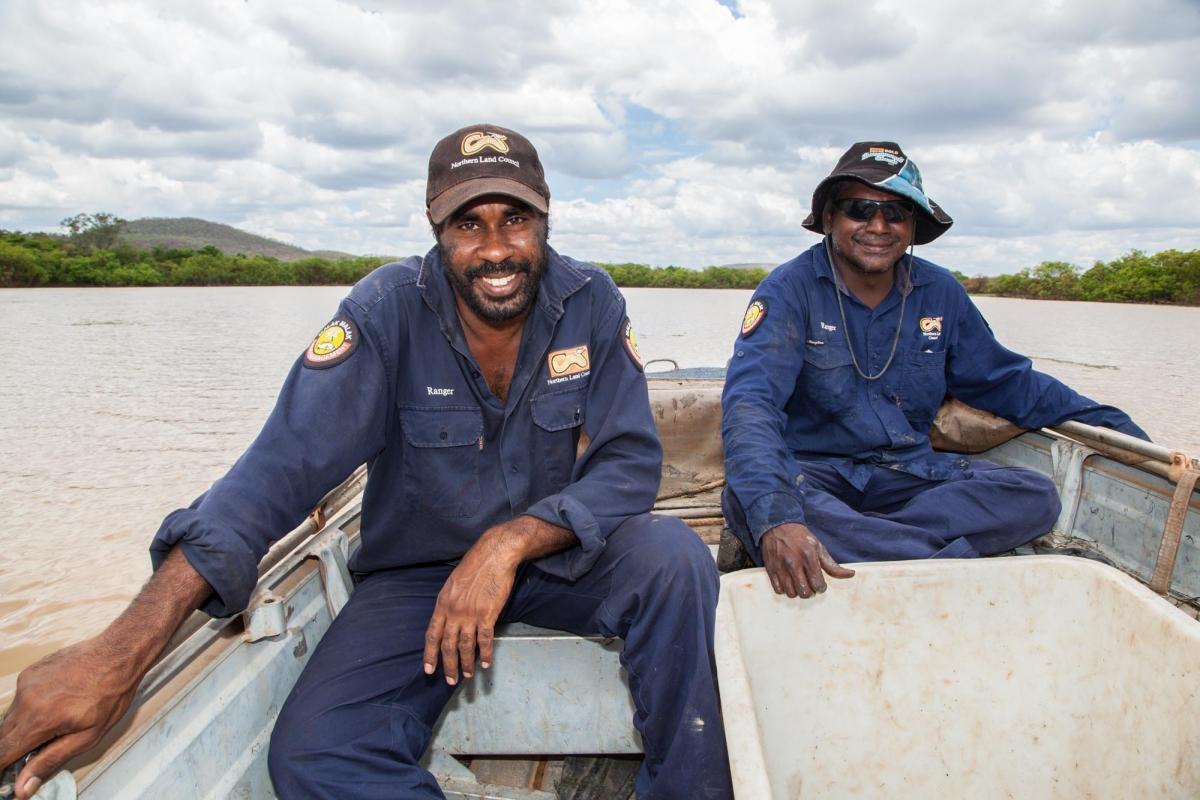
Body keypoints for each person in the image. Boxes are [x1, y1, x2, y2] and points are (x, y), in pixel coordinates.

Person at [0, 124, 732, 800]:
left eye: (516, 219)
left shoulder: (590, 301)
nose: (496, 247)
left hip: (556, 554)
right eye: (468, 224)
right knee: (315, 758)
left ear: (545, 220)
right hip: (419, 577)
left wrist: (508, 543)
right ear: (435, 230)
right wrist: (119, 652)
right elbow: (273, 474)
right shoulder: (384, 312)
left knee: (672, 557)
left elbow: (629, 464)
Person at [720, 141, 1148, 600]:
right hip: (816, 474)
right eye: (859, 209)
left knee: (1033, 495)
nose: (878, 226)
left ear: (913, 227)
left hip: (907, 476)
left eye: (896, 213)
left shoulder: (939, 292)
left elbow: (1008, 383)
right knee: (758, 504)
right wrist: (781, 520)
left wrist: (1126, 434)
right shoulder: (789, 290)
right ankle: (929, 560)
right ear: (829, 219)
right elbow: (751, 405)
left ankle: (870, 545)